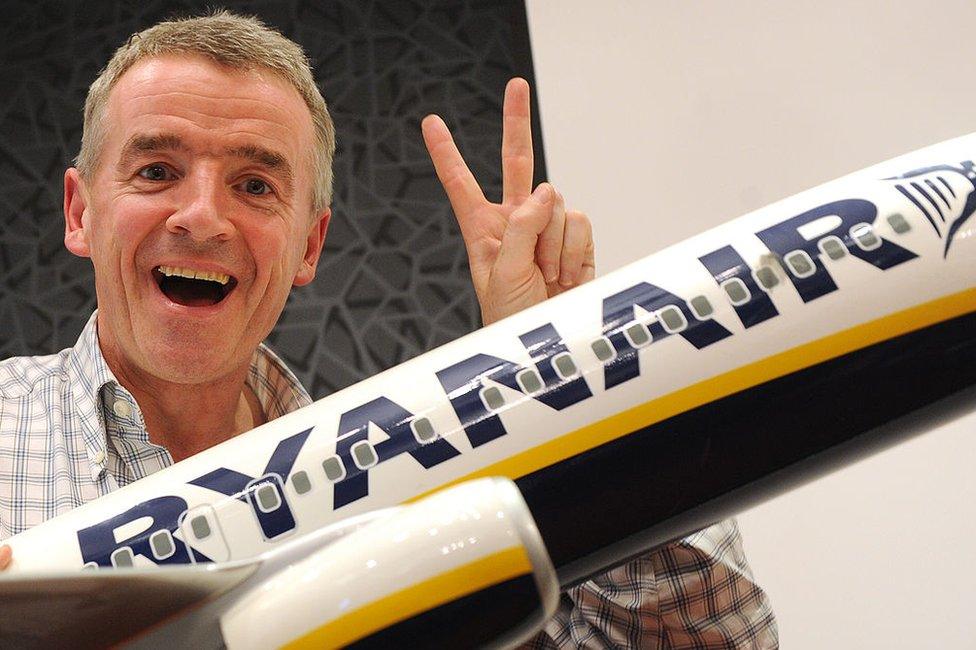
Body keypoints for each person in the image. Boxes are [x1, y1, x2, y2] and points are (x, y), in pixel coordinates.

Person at [0, 11, 777, 649]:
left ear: (308, 244)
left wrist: (574, 366)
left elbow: (704, 642)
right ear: (79, 212)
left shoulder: (406, 490)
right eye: (156, 171)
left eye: (255, 184)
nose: (202, 216)